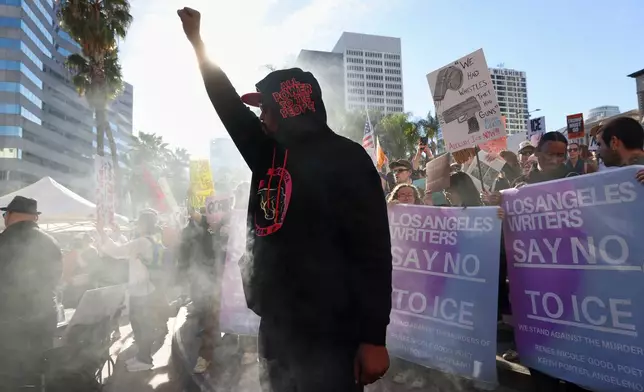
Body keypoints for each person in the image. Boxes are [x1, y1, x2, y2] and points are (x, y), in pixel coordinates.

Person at [178, 7, 391, 391]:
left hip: (332, 335)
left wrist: (374, 337)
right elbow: (227, 105)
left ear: (290, 107)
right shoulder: (265, 153)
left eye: (266, 108)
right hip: (277, 330)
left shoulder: (347, 158)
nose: (259, 117)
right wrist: (198, 45)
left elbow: (372, 251)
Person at [0, 196, 62, 389]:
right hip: (44, 316)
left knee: (9, 373)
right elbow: (57, 278)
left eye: (4, 214)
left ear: (9, 215)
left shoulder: (2, 241)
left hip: (9, 321)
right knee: (38, 367)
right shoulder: (51, 241)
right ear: (35, 217)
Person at [97, 210, 168, 372]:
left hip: (141, 291)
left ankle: (145, 360)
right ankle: (142, 357)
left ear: (143, 224)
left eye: (138, 222)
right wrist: (117, 234)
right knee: (142, 325)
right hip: (149, 289)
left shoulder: (141, 242)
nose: (136, 225)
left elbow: (117, 252)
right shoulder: (153, 240)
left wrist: (101, 232)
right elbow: (125, 249)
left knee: (140, 326)